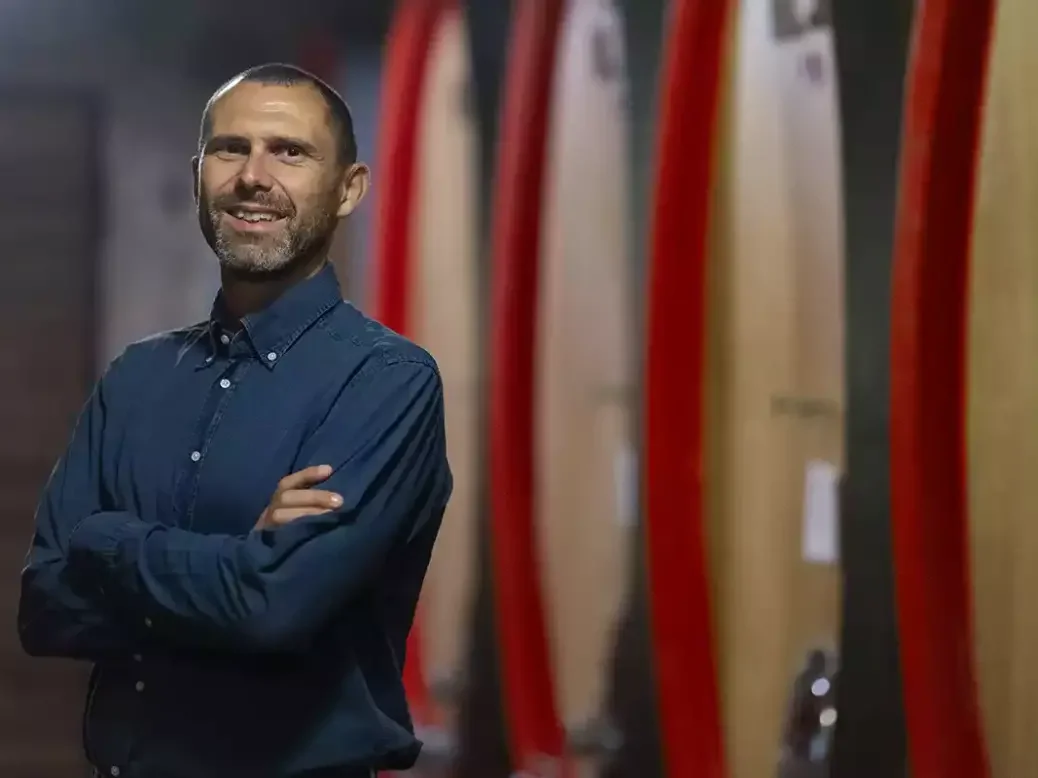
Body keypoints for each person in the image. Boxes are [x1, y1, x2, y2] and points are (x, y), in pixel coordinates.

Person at [17, 63, 452, 778]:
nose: (253, 176)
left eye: (290, 151)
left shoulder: (385, 382)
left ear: (350, 189)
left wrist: (108, 539)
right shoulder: (138, 377)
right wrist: (233, 564)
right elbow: (45, 608)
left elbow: (270, 608)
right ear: (198, 175)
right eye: (230, 148)